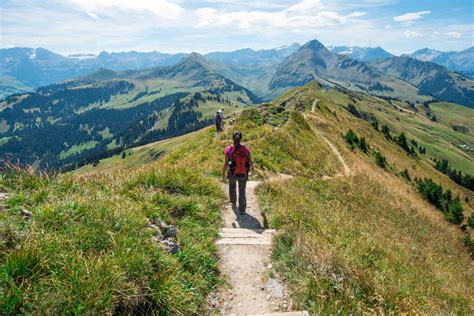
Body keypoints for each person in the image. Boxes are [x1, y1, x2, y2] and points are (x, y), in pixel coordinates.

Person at [222, 131, 253, 214]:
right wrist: (251, 171)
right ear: (241, 139)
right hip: (243, 173)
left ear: (232, 138)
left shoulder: (228, 150)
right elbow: (250, 161)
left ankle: (233, 202)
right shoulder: (246, 150)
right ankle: (242, 210)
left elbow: (226, 163)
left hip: (232, 173)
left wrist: (223, 173)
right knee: (242, 191)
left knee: (232, 187)